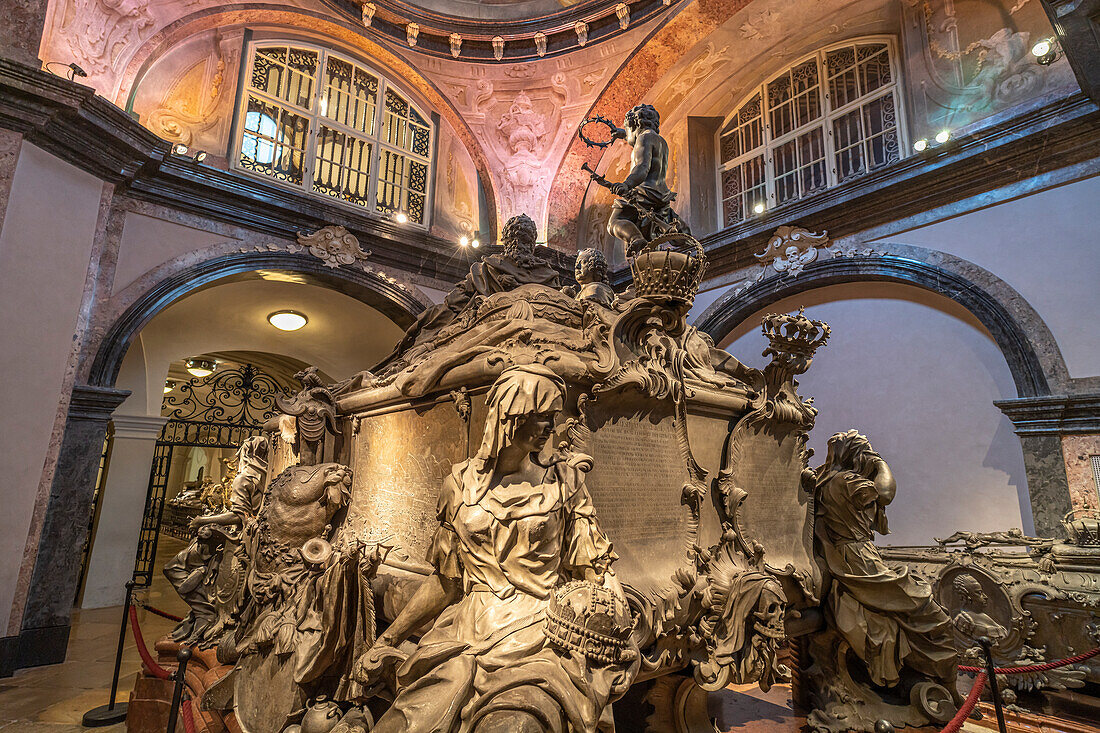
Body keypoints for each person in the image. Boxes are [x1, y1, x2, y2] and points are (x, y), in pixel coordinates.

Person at [350, 365, 637, 732]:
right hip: (468, 629)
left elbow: (596, 569)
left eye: (554, 416)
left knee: (515, 723)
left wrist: (623, 644)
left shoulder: (565, 480)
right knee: (411, 721)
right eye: (541, 417)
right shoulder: (459, 485)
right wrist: (386, 640)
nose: (552, 427)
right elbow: (447, 581)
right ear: (508, 418)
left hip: (543, 634)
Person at [806, 430, 958, 691]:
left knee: (908, 617)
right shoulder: (847, 481)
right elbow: (886, 493)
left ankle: (939, 684)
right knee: (932, 615)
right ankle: (948, 686)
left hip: (845, 559)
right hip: (861, 562)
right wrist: (879, 462)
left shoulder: (825, 480)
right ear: (857, 454)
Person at [370, 215, 560, 375]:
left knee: (428, 323)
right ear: (533, 242)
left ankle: (406, 355)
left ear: (506, 241)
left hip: (486, 329)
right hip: (543, 339)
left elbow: (454, 303)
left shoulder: (486, 269)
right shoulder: (549, 276)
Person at [599, 104, 689, 257]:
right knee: (651, 242)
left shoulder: (644, 137)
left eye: (627, 128)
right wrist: (623, 134)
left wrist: (626, 184)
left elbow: (642, 167)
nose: (627, 134)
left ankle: (635, 239)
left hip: (643, 193)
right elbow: (636, 142)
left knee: (614, 223)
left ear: (636, 124)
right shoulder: (660, 141)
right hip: (660, 196)